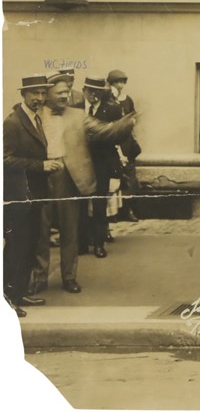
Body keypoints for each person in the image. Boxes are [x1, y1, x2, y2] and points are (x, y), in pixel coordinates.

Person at [34, 73, 131, 294]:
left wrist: (125, 124)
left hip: (68, 178)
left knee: (71, 230)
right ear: (47, 93)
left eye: (67, 92)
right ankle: (39, 278)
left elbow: (104, 130)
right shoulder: (35, 115)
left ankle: (69, 278)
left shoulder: (78, 115)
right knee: (40, 229)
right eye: (59, 92)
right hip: (40, 177)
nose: (64, 96)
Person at [3, 74, 54, 316]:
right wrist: (41, 166)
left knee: (29, 244)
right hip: (18, 196)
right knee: (16, 247)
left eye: (43, 93)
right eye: (35, 93)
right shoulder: (12, 122)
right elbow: (6, 160)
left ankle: (19, 293)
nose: (40, 98)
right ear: (23, 95)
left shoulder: (34, 119)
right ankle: (7, 300)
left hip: (34, 195)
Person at [82, 77, 135, 258]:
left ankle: (99, 243)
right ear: (84, 90)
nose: (93, 95)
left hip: (102, 162)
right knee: (81, 203)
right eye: (90, 91)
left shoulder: (111, 109)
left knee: (99, 203)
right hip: (80, 162)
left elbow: (121, 136)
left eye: (97, 91)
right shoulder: (76, 109)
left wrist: (107, 134)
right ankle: (82, 242)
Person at [106, 69, 140, 222]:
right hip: (113, 141)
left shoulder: (128, 100)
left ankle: (128, 209)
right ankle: (113, 212)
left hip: (126, 141)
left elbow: (133, 117)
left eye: (122, 82)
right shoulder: (108, 98)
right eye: (117, 82)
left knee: (129, 178)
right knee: (114, 178)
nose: (120, 85)